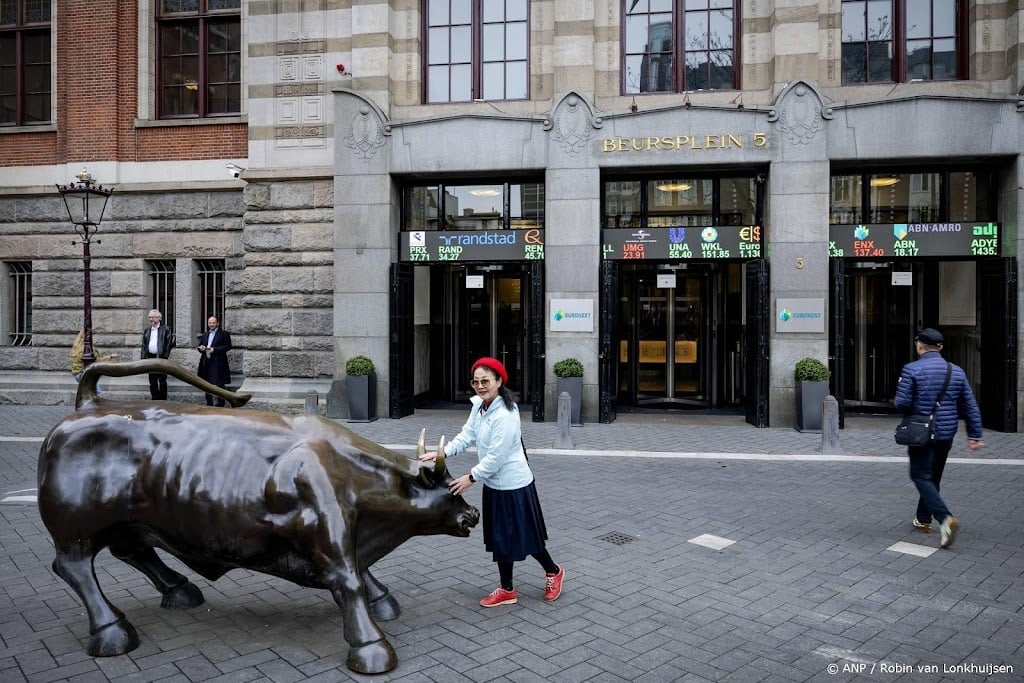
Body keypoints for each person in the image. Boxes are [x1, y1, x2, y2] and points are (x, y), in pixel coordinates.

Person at [419, 357, 565, 607]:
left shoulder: (506, 414)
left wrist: (471, 478)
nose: (480, 386)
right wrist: (442, 453)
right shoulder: (480, 406)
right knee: (500, 537)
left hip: (515, 484)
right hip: (495, 485)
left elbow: (497, 456)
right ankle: (506, 589)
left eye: (485, 380)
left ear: (499, 381)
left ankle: (553, 571)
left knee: (527, 536)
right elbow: (467, 435)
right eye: (476, 381)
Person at [893, 328, 983, 549]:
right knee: (933, 477)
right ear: (940, 347)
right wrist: (975, 434)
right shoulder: (956, 372)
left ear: (919, 346)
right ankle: (923, 518)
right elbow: (969, 405)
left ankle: (945, 519)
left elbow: (901, 403)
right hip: (946, 432)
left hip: (921, 432)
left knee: (920, 475)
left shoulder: (911, 369)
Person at [196, 315, 233, 406]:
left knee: (219, 384)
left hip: (218, 363)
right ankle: (209, 403)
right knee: (206, 384)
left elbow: (228, 346)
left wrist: (214, 349)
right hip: (206, 362)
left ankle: (221, 404)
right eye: (210, 323)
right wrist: (201, 348)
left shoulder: (224, 334)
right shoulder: (206, 334)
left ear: (218, 323)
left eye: (213, 323)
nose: (211, 324)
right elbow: (200, 346)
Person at [141, 309, 175, 400]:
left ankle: (163, 400)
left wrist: (164, 357)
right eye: (149, 317)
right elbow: (144, 345)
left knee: (162, 380)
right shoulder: (147, 330)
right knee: (152, 381)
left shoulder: (166, 329)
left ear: (159, 318)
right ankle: (155, 399)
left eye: (152, 317)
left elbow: (168, 344)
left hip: (161, 358)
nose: (150, 319)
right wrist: (144, 359)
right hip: (150, 358)